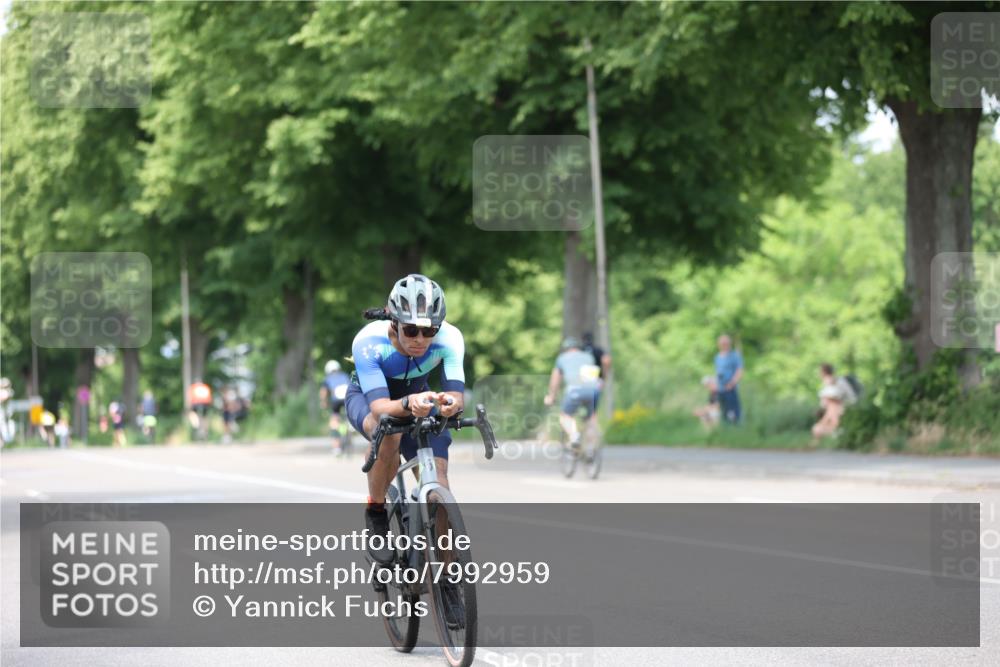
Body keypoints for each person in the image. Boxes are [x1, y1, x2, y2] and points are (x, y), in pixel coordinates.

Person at [346, 274, 465, 572]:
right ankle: (376, 512)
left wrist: (449, 405)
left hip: (418, 399)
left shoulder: (450, 338)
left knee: (438, 481)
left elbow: (456, 396)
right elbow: (379, 408)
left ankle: (447, 574)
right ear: (394, 322)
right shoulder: (369, 342)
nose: (420, 340)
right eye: (411, 330)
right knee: (386, 430)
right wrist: (408, 402)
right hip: (370, 400)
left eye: (429, 330)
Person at [543, 337, 602, 449]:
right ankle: (592, 447)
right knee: (591, 417)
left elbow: (555, 380)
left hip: (575, 390)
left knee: (565, 416)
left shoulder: (562, 358)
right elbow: (593, 376)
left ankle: (574, 436)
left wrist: (551, 396)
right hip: (593, 390)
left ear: (566, 349)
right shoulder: (588, 356)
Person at [811, 363, 852, 439]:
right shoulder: (834, 381)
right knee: (817, 428)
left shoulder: (831, 381)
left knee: (817, 429)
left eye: (820, 371)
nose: (818, 373)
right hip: (833, 410)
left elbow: (833, 398)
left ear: (824, 372)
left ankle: (836, 434)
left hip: (836, 410)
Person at [320, 360, 351, 455]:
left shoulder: (327, 378)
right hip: (347, 398)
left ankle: (336, 448)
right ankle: (351, 424)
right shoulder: (345, 376)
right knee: (349, 414)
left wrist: (324, 402)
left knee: (334, 419)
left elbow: (324, 392)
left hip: (336, 400)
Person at [714, 334, 744, 424]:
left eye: (726, 343)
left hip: (731, 388)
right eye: (722, 343)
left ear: (729, 344)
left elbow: (740, 371)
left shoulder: (734, 356)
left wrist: (732, 383)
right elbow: (718, 372)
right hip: (720, 388)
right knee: (724, 411)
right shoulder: (717, 357)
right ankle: (725, 428)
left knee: (734, 412)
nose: (724, 345)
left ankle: (737, 427)